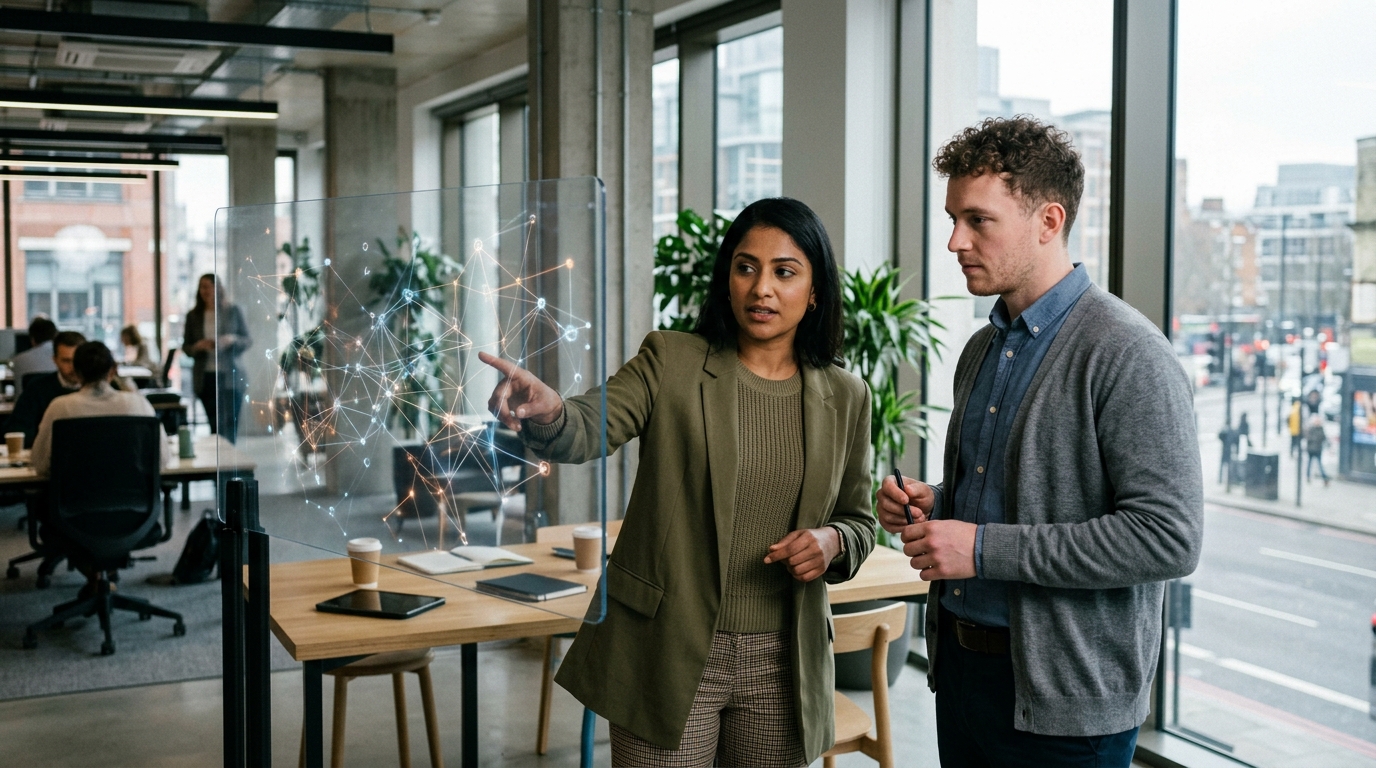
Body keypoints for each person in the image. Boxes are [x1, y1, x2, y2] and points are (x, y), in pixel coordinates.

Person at [480, 198, 875, 767]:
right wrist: (552, 412)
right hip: (666, 648)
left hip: (784, 661)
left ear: (815, 292)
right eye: (746, 267)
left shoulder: (846, 396)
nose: (761, 288)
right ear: (727, 278)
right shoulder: (671, 360)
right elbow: (591, 425)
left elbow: (858, 521)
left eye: (784, 272)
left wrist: (833, 540)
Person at [876, 117, 1203, 767]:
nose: (955, 241)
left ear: (1049, 221)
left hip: (1067, 711)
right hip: (962, 677)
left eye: (978, 220)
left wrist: (979, 547)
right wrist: (939, 503)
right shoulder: (981, 348)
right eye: (953, 219)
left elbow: (1169, 537)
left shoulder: (1129, 353)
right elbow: (1021, 498)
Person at [32, 341, 169, 477]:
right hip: (131, 490)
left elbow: (41, 465)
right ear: (113, 371)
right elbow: (162, 459)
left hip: (76, 490)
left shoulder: (60, 407)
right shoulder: (139, 405)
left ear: (77, 372)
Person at [182, 274, 251, 442]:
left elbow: (247, 340)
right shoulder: (193, 316)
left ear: (218, 288)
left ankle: (229, 458)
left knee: (230, 424)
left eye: (209, 286)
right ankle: (219, 457)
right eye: (202, 287)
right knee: (215, 426)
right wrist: (198, 347)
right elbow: (186, 347)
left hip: (230, 376)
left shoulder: (232, 311)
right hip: (205, 377)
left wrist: (231, 340)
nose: (206, 290)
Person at [7, 331, 86, 448]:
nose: (73, 367)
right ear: (55, 360)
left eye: (77, 360)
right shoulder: (37, 388)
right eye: (66, 361)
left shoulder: (98, 388)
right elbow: (18, 428)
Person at [10, 317, 58, 399]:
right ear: (55, 336)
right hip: (58, 405)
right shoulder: (62, 358)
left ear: (32, 339)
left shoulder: (18, 360)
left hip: (27, 405)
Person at [1305, 414, 1330, 486]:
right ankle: (1308, 476)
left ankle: (1323, 478)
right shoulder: (1312, 429)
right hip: (1312, 450)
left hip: (1317, 450)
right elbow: (1308, 438)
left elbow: (1324, 438)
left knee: (1318, 464)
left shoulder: (1319, 429)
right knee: (1311, 463)